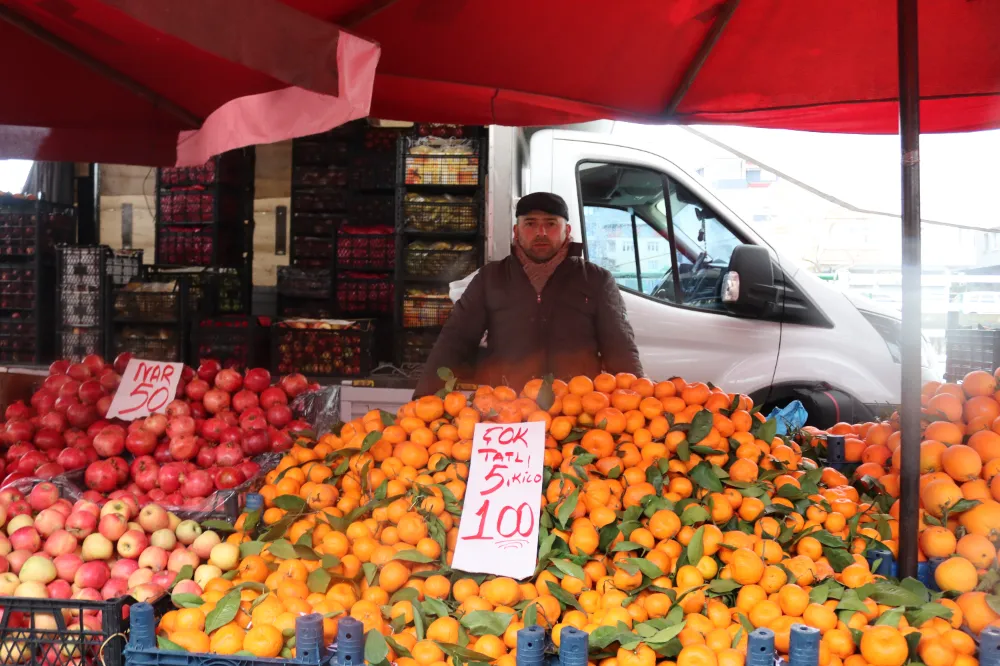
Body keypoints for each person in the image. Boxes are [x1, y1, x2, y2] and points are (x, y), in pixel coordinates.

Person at [414, 192, 642, 397]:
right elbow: (455, 340)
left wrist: (639, 402)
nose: (541, 233)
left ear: (567, 230)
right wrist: (423, 399)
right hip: (507, 408)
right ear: (516, 231)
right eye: (530, 224)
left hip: (575, 408)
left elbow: (620, 349)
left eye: (551, 224)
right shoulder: (491, 278)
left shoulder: (596, 280)